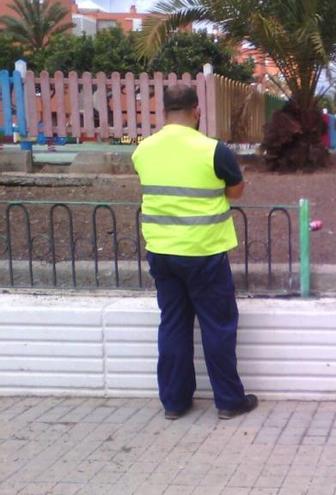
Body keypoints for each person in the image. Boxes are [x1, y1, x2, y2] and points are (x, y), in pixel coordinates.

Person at [133, 84, 258, 420]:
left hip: (161, 251)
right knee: (217, 326)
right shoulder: (214, 150)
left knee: (172, 324)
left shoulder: (143, 150)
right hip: (204, 251)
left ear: (163, 112)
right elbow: (236, 191)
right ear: (196, 110)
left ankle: (174, 403)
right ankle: (229, 401)